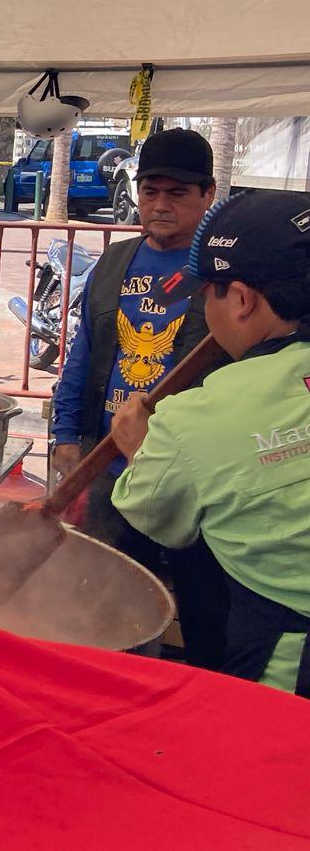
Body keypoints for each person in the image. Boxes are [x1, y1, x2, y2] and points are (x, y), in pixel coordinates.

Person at [110, 189, 310, 696]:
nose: (205, 304)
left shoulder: (194, 420)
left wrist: (140, 448)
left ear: (242, 301)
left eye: (208, 293)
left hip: (290, 664)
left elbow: (157, 515)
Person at [51, 127, 230, 669]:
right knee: (103, 602)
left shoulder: (224, 273)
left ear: (208, 194)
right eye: (150, 191)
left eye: (177, 193)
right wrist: (64, 434)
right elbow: (81, 353)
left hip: (192, 479)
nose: (159, 204)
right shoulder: (112, 262)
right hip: (111, 469)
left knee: (205, 613)